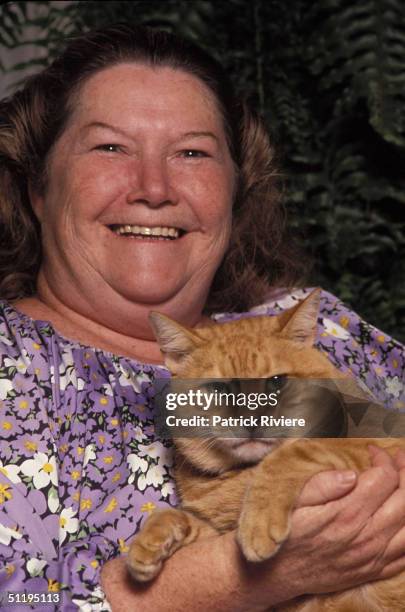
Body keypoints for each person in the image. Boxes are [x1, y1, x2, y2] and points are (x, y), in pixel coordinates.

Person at [0, 23, 404, 611]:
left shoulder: (316, 325)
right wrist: (251, 573)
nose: (154, 188)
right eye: (110, 147)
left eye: (192, 153)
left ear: (236, 192)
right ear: (39, 186)